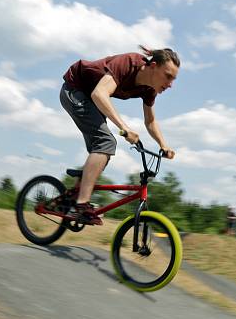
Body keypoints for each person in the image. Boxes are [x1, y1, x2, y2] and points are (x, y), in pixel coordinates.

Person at [60, 46, 180, 224]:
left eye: (174, 79)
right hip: (75, 90)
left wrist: (163, 145)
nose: (170, 84)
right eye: (168, 76)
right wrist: (125, 128)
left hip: (91, 100)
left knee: (102, 152)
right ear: (153, 66)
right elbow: (99, 93)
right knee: (106, 142)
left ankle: (73, 194)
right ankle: (82, 205)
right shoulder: (128, 63)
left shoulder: (149, 89)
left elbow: (150, 121)